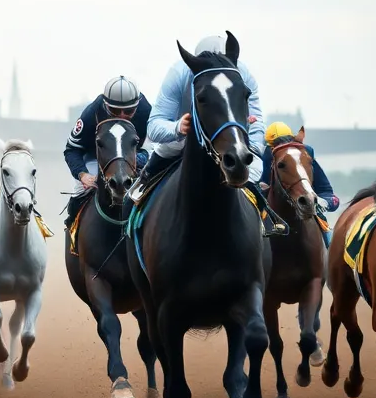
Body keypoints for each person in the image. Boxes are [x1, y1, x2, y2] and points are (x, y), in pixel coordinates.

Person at [129, 33, 287, 236]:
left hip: (230, 145)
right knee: (131, 197)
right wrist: (178, 127)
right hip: (180, 144)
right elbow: (154, 126)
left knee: (258, 191)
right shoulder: (179, 73)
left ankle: (266, 228)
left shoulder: (243, 74)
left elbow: (256, 122)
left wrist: (251, 149)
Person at [62, 76, 151, 228]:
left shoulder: (146, 111)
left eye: (129, 111)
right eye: (115, 110)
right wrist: (82, 174)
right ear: (105, 105)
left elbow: (154, 148)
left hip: (131, 155)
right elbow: (72, 149)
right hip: (95, 156)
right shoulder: (91, 113)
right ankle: (73, 230)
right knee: (78, 194)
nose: (122, 115)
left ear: (137, 106)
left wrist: (134, 159)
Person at [260, 122, 340, 247]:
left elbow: (331, 197)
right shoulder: (265, 159)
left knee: (336, 248)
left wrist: (323, 202)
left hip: (309, 217)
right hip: (271, 223)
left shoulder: (305, 157)